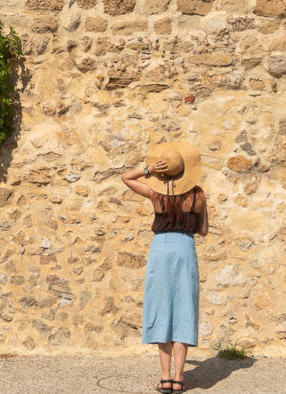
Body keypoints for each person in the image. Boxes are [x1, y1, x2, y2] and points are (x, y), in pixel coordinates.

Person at [121, 141, 208, 393]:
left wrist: (148, 170)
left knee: (161, 308)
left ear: (165, 172)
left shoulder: (156, 194)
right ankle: (180, 378)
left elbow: (126, 177)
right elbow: (203, 230)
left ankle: (165, 378)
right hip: (185, 251)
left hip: (160, 250)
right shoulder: (198, 195)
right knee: (184, 309)